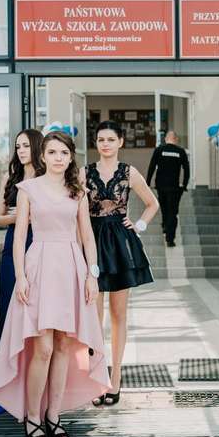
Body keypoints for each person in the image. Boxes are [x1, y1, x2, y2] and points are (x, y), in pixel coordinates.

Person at [0, 131, 109, 437]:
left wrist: (92, 275)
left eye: (64, 153)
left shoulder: (78, 191)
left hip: (71, 267)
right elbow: (19, 237)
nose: (58, 158)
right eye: (52, 152)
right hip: (39, 265)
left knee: (64, 345)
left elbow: (87, 236)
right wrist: (20, 276)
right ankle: (32, 418)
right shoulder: (28, 189)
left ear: (70, 157)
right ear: (43, 156)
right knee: (42, 347)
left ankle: (53, 416)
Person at [84, 120, 159, 406]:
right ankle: (97, 378)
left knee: (118, 315)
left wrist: (139, 225)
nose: (105, 144)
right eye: (101, 140)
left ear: (120, 142)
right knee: (93, 317)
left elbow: (153, 203)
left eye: (110, 139)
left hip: (119, 244)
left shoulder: (129, 172)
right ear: (96, 143)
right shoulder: (84, 172)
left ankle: (115, 378)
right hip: (92, 241)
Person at [0, 129, 43, 415]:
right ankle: (5, 386)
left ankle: (34, 384)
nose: (21, 150)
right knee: (8, 309)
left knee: (37, 314)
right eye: (18, 146)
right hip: (14, 245)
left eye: (26, 145)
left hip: (41, 245)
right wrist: (20, 216)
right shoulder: (10, 179)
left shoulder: (47, 178)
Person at [147, 130, 190, 247]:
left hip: (161, 186)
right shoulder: (180, 151)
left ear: (166, 139)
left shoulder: (159, 150)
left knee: (164, 208)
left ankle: (165, 225)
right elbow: (186, 169)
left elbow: (152, 166)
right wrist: (184, 185)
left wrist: (147, 183)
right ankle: (170, 239)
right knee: (172, 212)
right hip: (174, 187)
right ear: (176, 139)